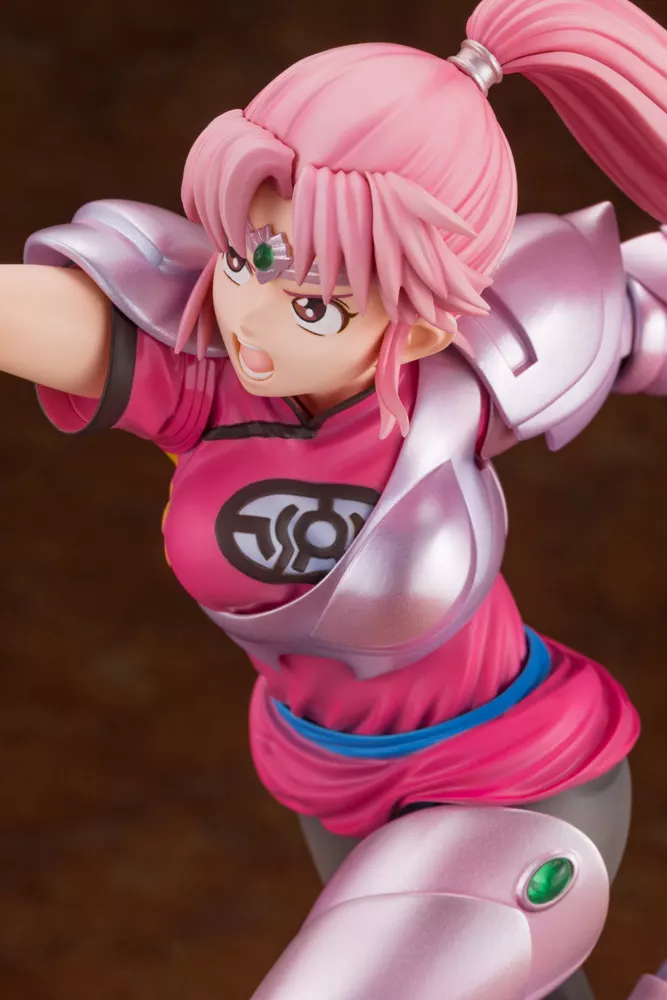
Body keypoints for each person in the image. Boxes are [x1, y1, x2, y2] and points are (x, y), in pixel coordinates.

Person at [5, 0, 667, 995]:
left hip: (515, 776)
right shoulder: (200, 383)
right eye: (244, 260)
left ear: (424, 325)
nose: (251, 318)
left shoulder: (468, 380)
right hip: (332, 789)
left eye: (315, 304)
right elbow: (44, 318)